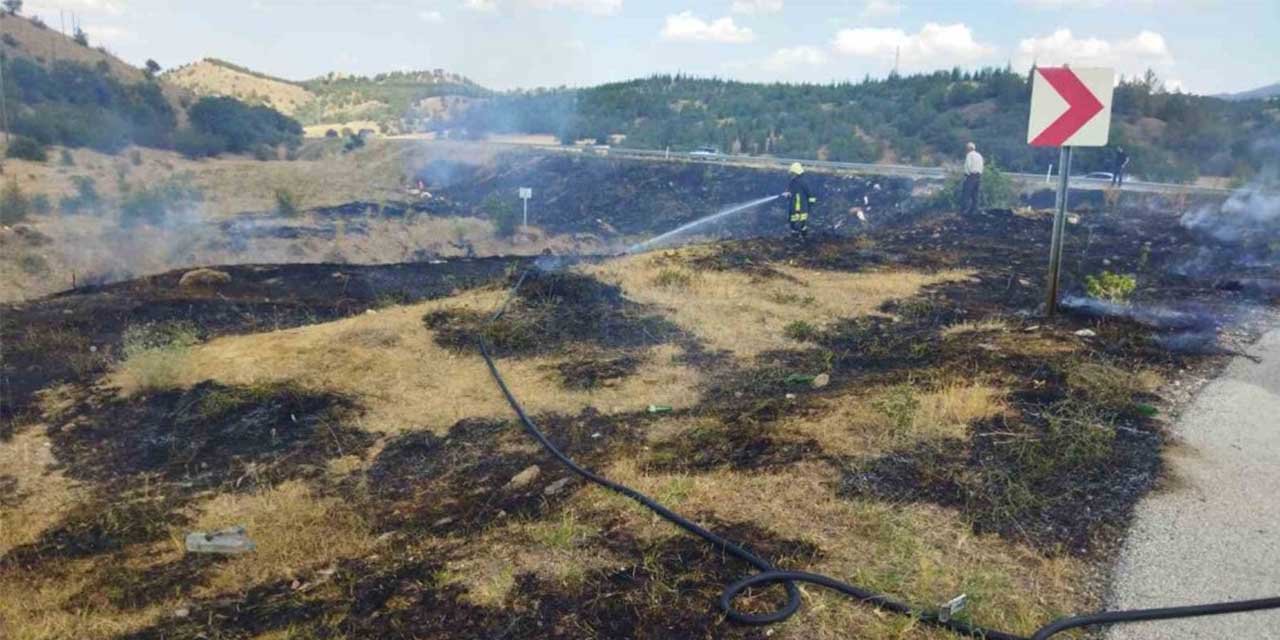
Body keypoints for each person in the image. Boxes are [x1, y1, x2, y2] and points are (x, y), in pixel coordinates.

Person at [781, 162, 815, 239]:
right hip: (794, 208)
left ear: (796, 172)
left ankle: (804, 239)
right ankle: (795, 239)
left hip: (802, 208)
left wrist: (809, 206)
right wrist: (787, 194)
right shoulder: (792, 182)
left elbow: (810, 195)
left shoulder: (803, 182)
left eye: (792, 173)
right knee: (793, 224)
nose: (791, 174)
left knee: (802, 224)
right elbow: (790, 193)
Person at [961, 142, 983, 215]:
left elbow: (967, 166)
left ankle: (964, 211)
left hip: (971, 176)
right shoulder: (979, 155)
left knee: (966, 194)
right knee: (975, 195)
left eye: (966, 148)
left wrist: (966, 175)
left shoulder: (969, 155)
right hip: (979, 176)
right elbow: (981, 167)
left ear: (969, 148)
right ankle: (974, 211)